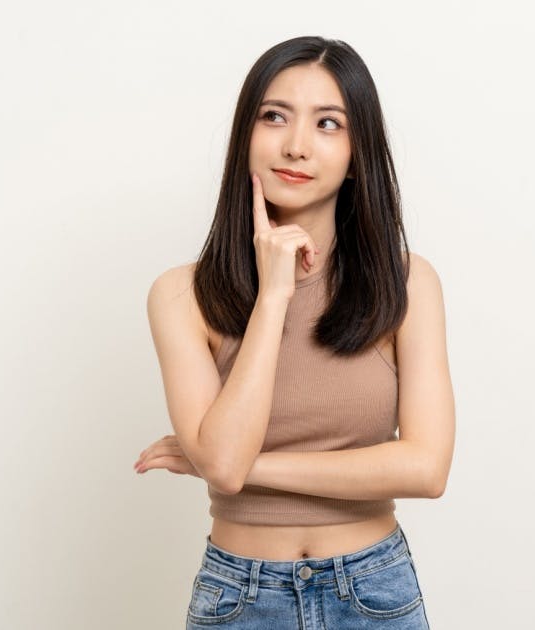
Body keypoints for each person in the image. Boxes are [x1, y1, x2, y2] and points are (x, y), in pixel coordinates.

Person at [135, 36, 455, 629]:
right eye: (274, 116)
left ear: (358, 151)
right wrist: (274, 295)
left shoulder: (406, 282)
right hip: (240, 596)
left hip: (372, 591)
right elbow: (223, 468)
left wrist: (237, 463)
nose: (296, 145)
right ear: (245, 135)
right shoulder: (181, 295)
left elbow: (426, 468)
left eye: (328, 123)